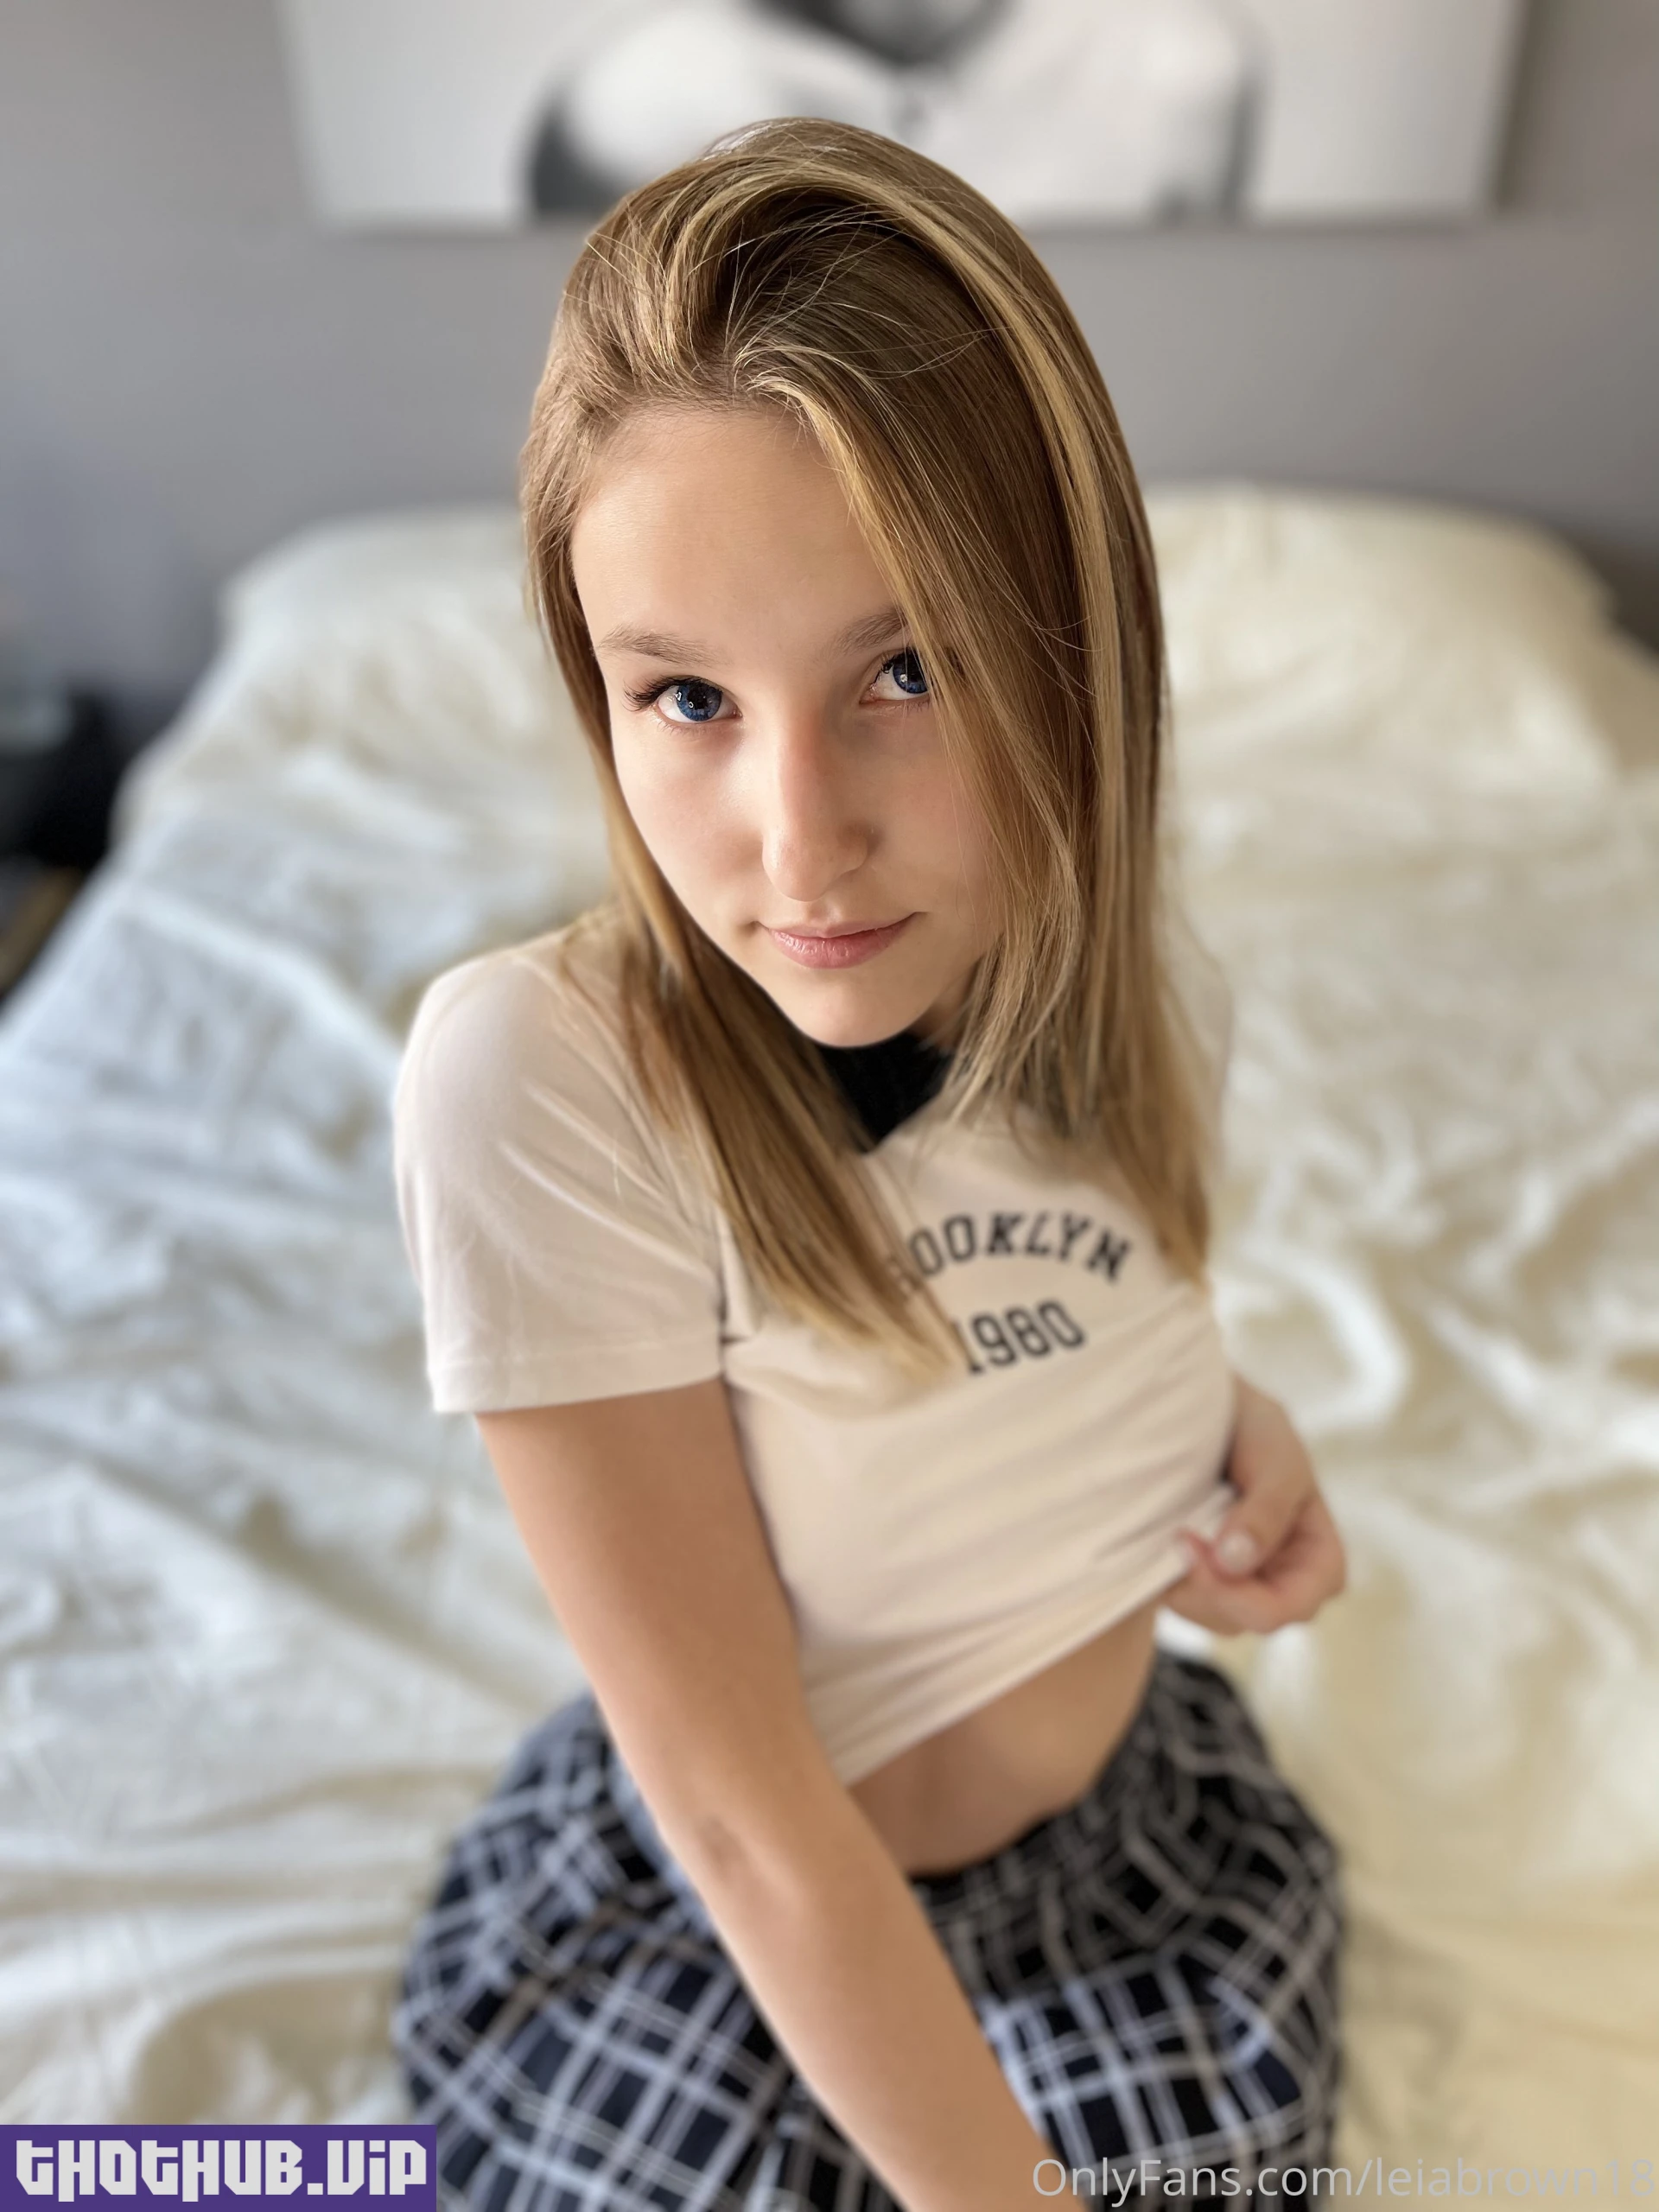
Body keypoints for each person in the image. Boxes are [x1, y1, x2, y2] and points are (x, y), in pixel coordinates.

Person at [391, 117, 1346, 2212]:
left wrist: (1220, 1426)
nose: (797, 839)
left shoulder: (1091, 965)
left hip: (1134, 1866)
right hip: (750, 1917)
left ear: (1072, 653)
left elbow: (1014, 1294)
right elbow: (744, 1816)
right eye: (687, 697)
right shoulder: (548, 1074)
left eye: (904, 671)